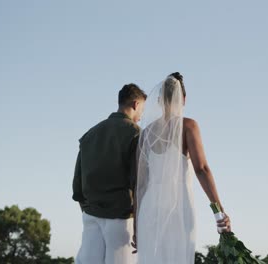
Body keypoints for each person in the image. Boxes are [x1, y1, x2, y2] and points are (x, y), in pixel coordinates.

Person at [133, 72, 231, 263]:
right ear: (183, 99)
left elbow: (141, 184)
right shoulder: (189, 126)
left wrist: (136, 224)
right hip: (179, 208)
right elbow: (201, 169)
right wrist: (219, 210)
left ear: (160, 100)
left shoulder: (145, 134)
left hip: (148, 211)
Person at [72, 83, 147, 264]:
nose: (141, 116)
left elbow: (77, 182)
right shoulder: (136, 134)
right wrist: (138, 226)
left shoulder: (91, 133)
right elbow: (138, 183)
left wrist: (88, 209)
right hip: (120, 218)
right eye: (142, 110)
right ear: (136, 104)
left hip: (90, 215)